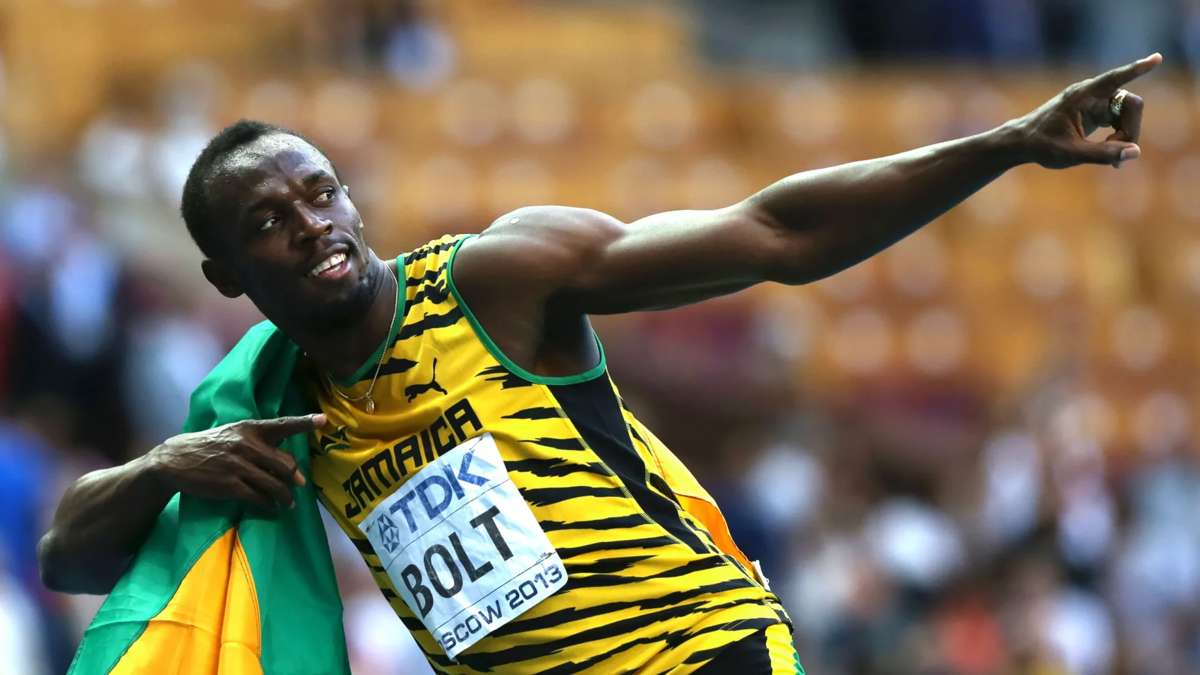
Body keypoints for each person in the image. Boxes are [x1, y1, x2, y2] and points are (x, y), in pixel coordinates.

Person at [38, 53, 1160, 674]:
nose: (313, 225)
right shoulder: (271, 407)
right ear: (225, 274)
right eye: (269, 223)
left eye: (321, 192)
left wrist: (1007, 143)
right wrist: (164, 468)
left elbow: (777, 233)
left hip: (695, 654)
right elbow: (71, 556)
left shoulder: (492, 280)